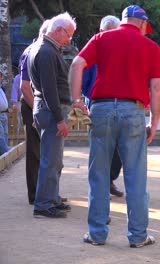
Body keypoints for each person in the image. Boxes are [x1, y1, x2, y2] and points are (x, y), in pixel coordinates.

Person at [69, 5, 160, 247]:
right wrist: (154, 122)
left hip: (101, 109)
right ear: (142, 24)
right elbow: (156, 88)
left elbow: (76, 65)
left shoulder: (102, 37)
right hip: (132, 110)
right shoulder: (150, 46)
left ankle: (96, 234)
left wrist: (77, 101)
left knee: (99, 175)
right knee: (136, 177)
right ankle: (137, 236)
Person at [28, 13, 76, 218]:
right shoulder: (47, 51)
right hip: (51, 110)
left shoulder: (40, 48)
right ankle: (43, 204)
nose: (69, 40)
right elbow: (48, 89)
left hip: (45, 108)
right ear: (58, 30)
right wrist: (59, 118)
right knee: (50, 160)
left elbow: (37, 86)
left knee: (54, 159)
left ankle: (51, 198)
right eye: (68, 35)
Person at [80, 15, 124, 198]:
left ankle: (109, 180)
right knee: (100, 150)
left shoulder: (122, 52)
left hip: (122, 106)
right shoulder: (92, 53)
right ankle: (100, 189)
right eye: (113, 32)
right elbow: (83, 83)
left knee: (120, 149)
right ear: (102, 31)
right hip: (98, 106)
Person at [19, 20, 52, 205]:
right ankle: (35, 195)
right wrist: (35, 113)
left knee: (48, 151)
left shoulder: (45, 52)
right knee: (34, 152)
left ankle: (48, 192)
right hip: (32, 106)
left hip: (42, 105)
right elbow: (25, 88)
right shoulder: (31, 52)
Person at [0, 71, 9, 155]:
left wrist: (6, 110)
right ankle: (5, 153)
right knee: (1, 135)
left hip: (3, 113)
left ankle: (5, 154)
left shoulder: (1, 88)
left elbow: (3, 101)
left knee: (5, 134)